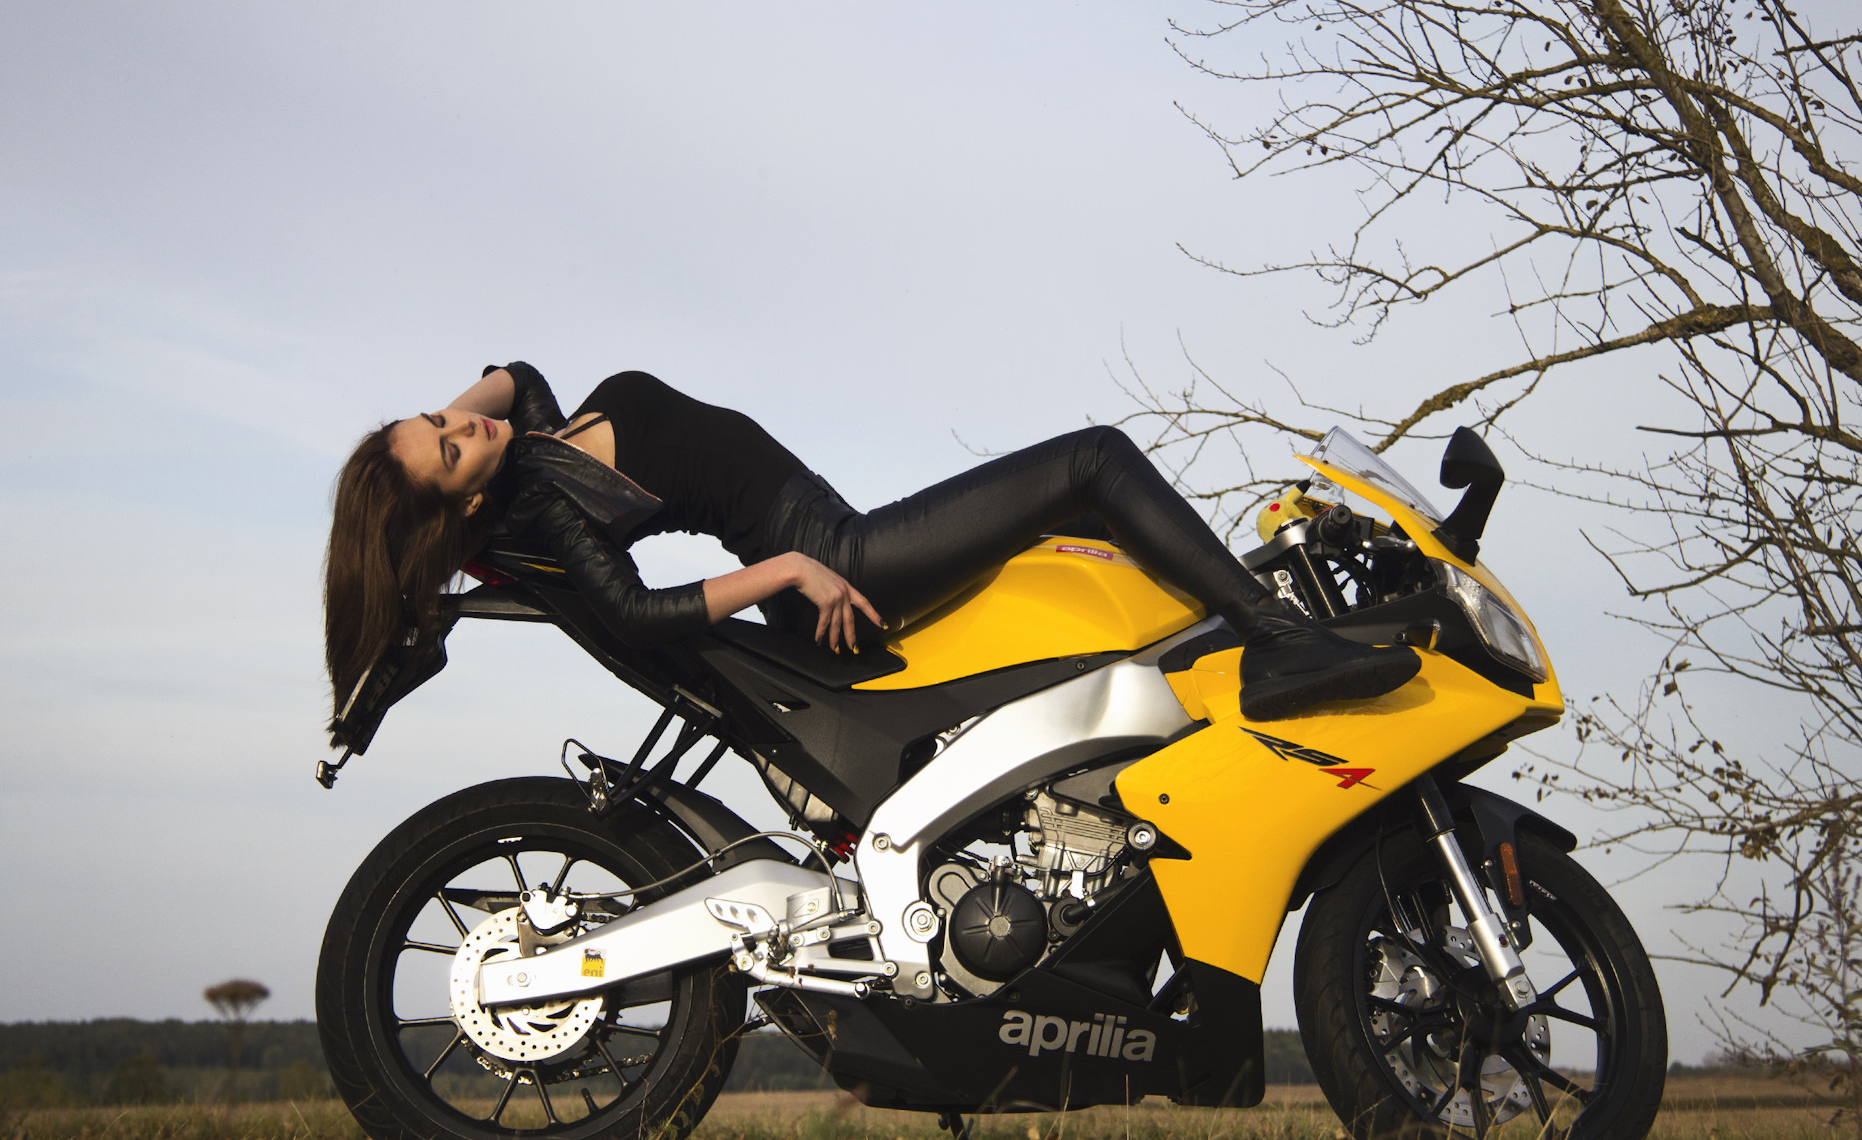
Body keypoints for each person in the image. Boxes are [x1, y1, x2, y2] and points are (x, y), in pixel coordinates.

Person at [323, 362, 1418, 744]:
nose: (468, 428)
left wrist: (432, 443)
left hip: (825, 531)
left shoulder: (528, 449)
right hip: (833, 551)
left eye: (446, 420)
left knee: (1090, 548)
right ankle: (1276, 642)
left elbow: (509, 373)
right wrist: (791, 571)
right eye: (453, 453)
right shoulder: (540, 515)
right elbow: (639, 614)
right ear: (463, 514)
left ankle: (1250, 623)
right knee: (1090, 462)